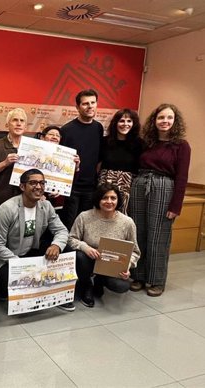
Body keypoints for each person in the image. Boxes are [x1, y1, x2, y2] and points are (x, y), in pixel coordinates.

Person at [129, 104, 191, 297]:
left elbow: (182, 177)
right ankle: (138, 275)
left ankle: (156, 280)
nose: (165, 121)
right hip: (140, 185)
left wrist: (176, 205)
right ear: (154, 121)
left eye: (169, 118)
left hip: (164, 187)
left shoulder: (181, 145)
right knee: (138, 231)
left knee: (159, 235)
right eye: (161, 117)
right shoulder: (146, 142)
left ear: (175, 121)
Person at [0, 169, 71, 310]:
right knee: (4, 287)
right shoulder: (7, 208)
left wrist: (56, 245)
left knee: (66, 249)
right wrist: (21, 265)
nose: (39, 187)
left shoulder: (46, 206)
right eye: (33, 183)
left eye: (42, 183)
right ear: (22, 186)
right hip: (10, 258)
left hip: (32, 252)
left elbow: (62, 230)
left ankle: (58, 293)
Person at [68, 183, 141, 308]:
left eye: (113, 198)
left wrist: (127, 265)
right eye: (105, 198)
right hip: (88, 260)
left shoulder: (127, 222)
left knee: (121, 286)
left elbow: (135, 252)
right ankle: (87, 286)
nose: (109, 201)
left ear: (118, 200)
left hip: (112, 264)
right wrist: (85, 247)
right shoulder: (84, 216)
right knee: (80, 256)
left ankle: (99, 281)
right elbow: (71, 239)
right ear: (98, 199)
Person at [60, 89, 104, 230]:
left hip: (91, 188)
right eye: (85, 103)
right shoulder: (67, 130)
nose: (90, 106)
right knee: (70, 226)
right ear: (77, 107)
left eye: (93, 102)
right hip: (72, 188)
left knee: (86, 227)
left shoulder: (98, 128)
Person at [99, 109, 144, 214]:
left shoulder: (140, 144)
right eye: (122, 121)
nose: (125, 124)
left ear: (134, 124)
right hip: (104, 188)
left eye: (129, 121)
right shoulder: (105, 141)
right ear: (115, 123)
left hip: (128, 191)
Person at [0, 108, 26, 216]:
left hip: (26, 201)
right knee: (0, 232)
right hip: (1, 201)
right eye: (15, 120)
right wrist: (4, 163)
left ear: (25, 126)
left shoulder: (32, 147)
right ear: (7, 125)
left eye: (22, 121)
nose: (18, 124)